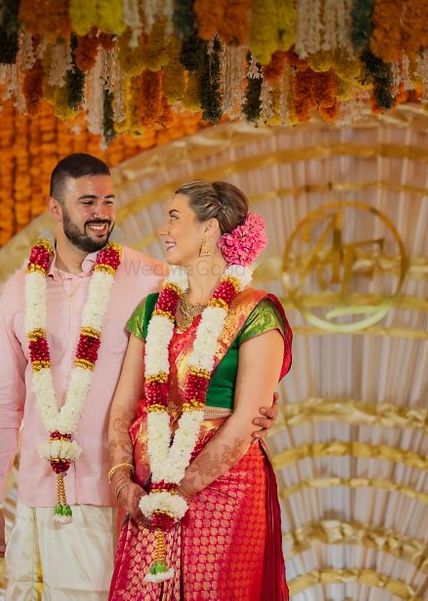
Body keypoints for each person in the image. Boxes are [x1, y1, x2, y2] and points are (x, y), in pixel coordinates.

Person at [0, 155, 278, 601]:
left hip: (120, 497)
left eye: (109, 200)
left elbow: (208, 338)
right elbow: (3, 398)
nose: (101, 212)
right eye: (87, 201)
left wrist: (258, 403)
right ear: (55, 209)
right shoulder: (21, 288)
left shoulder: (150, 279)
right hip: (38, 491)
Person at [107, 180, 292, 600]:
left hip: (225, 485)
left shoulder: (256, 311)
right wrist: (125, 485)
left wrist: (181, 489)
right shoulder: (153, 309)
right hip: (149, 487)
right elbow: (122, 407)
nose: (163, 229)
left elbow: (247, 418)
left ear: (209, 229)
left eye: (174, 217)